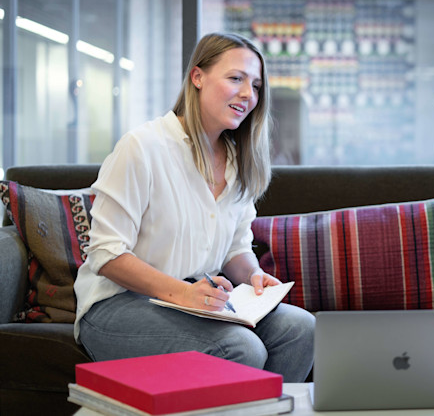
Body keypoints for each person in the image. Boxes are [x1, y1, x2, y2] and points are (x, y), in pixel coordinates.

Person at [73, 32, 314, 382]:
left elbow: (235, 248)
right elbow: (106, 254)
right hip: (119, 304)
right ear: (197, 77)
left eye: (257, 86)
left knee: (302, 329)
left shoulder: (237, 160)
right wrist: (185, 293)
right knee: (242, 348)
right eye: (236, 79)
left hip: (196, 303)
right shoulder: (142, 147)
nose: (249, 94)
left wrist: (252, 275)